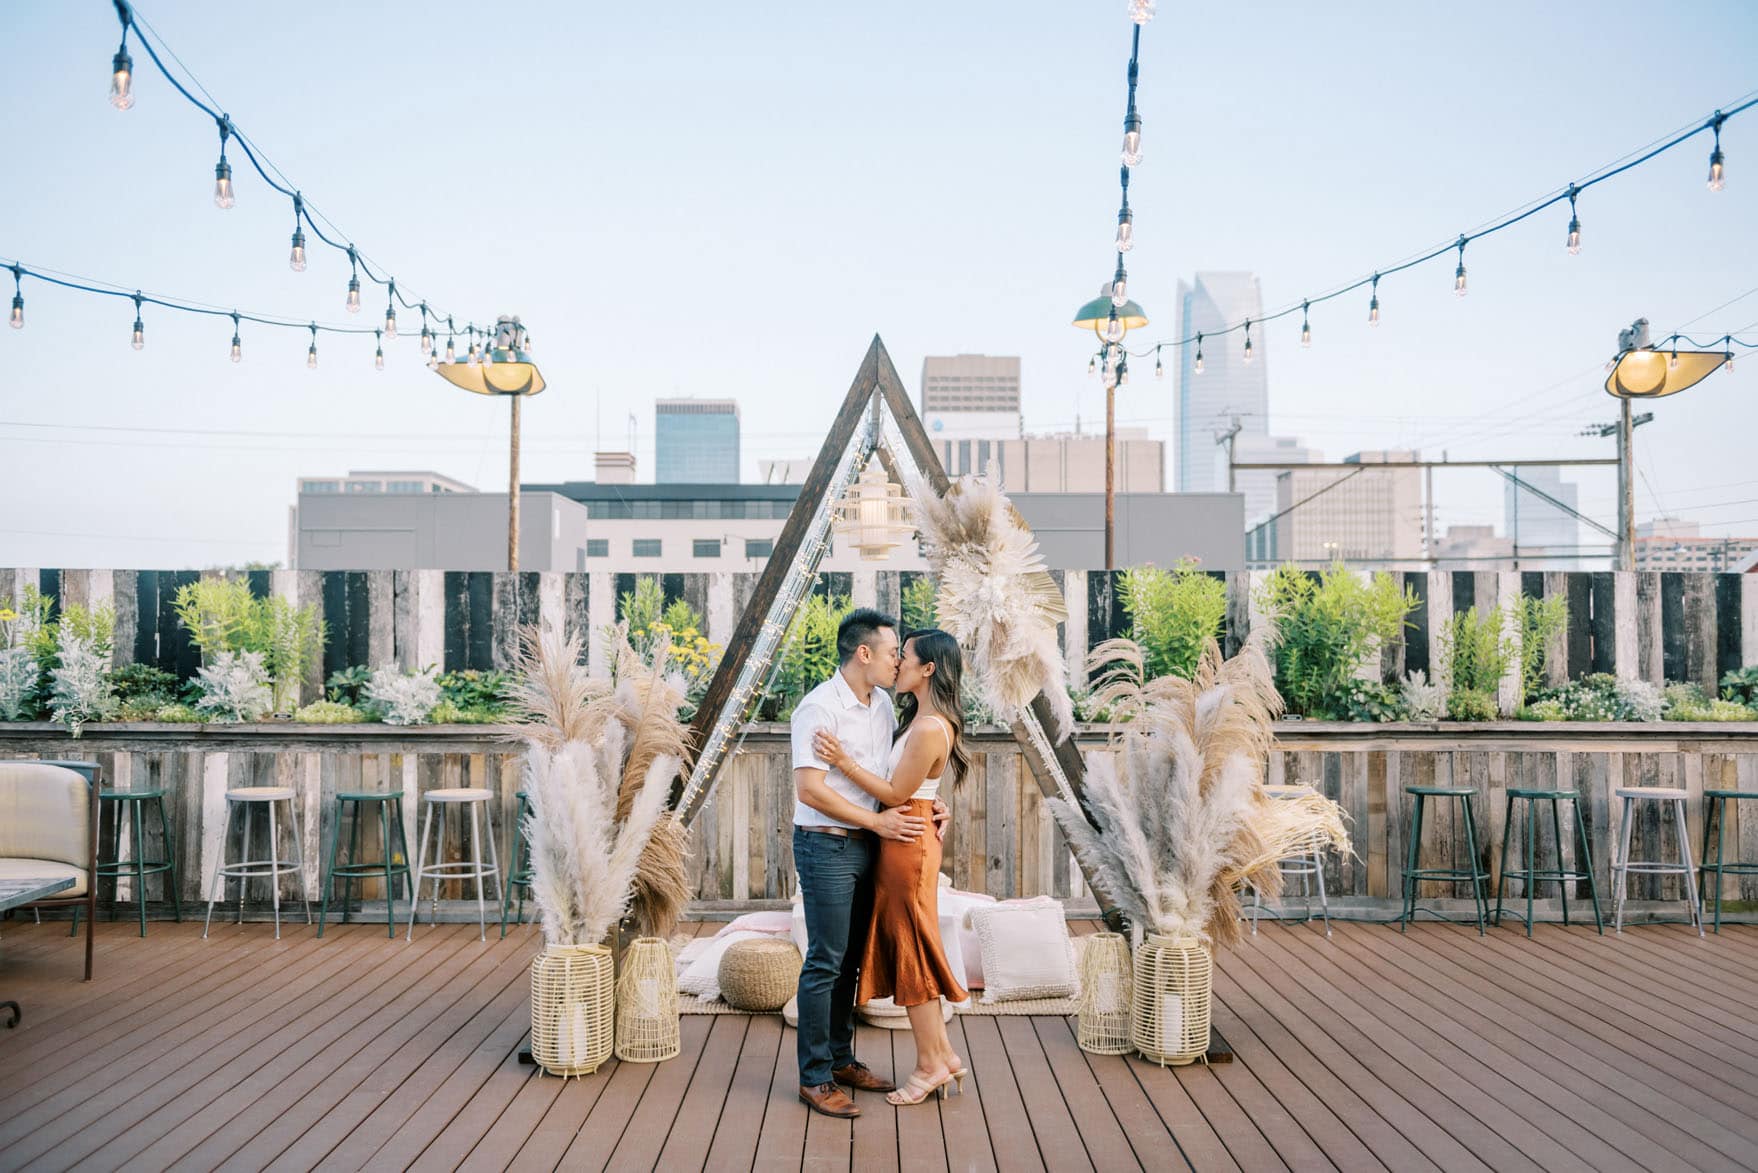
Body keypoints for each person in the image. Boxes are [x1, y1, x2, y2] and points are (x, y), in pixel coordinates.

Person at [790, 609, 949, 1119]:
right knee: (824, 961)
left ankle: (841, 1060)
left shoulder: (883, 705)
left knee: (851, 963)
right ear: (864, 654)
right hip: (827, 847)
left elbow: (896, 777)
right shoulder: (818, 709)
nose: (895, 660)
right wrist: (877, 822)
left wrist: (930, 805)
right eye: (889, 652)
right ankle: (814, 1078)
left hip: (870, 848)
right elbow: (810, 790)